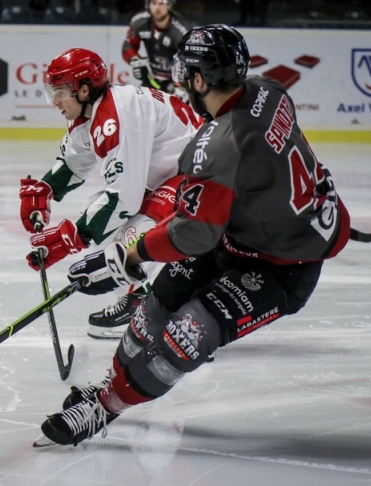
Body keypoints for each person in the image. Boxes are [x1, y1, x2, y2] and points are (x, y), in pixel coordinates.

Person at [35, 25, 352, 447]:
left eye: (185, 72)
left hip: (282, 265)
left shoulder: (218, 146)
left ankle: (105, 406)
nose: (180, 82)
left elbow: (194, 233)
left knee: (187, 333)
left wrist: (126, 257)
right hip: (261, 231)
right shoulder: (268, 89)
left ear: (200, 79)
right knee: (151, 311)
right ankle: (110, 382)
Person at [19, 47, 202, 338]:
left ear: (83, 89)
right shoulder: (92, 112)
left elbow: (122, 198)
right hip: (173, 173)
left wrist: (71, 237)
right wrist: (46, 189)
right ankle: (144, 296)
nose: (54, 101)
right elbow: (74, 162)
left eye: (59, 92)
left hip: (201, 173)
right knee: (112, 226)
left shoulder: (117, 116)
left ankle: (156, 309)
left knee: (137, 232)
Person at [122, 0, 190, 97]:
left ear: (169, 5)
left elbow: (187, 60)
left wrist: (180, 86)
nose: (157, 8)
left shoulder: (181, 30)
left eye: (161, 3)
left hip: (175, 82)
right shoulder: (140, 22)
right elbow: (128, 46)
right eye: (153, 3)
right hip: (151, 78)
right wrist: (136, 61)